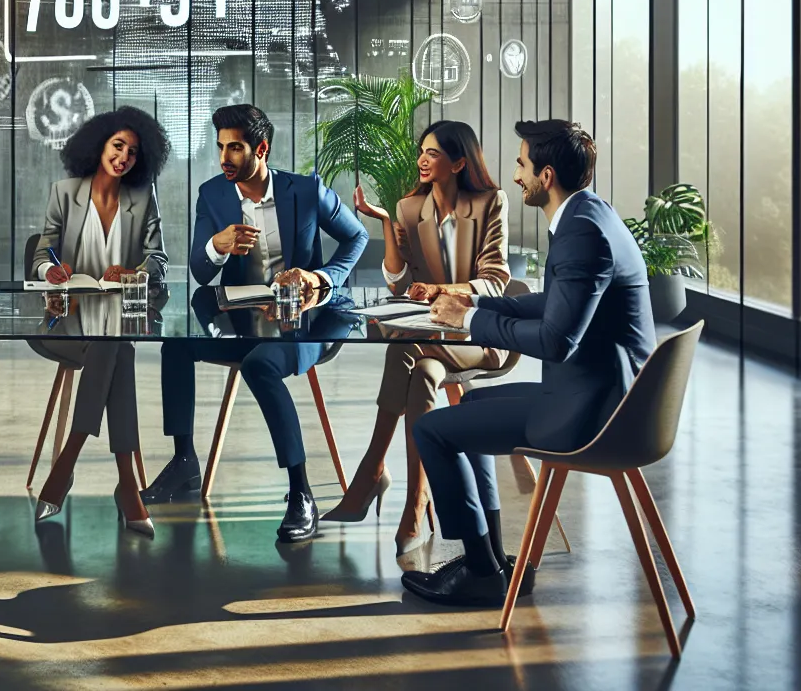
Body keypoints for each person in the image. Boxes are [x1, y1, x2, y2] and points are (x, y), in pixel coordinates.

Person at [402, 120, 655, 607]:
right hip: (601, 391)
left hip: (596, 413)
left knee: (431, 430)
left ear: (546, 175)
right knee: (470, 402)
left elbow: (556, 340)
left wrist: (468, 319)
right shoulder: (591, 213)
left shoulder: (580, 232)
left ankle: (480, 573)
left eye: (521, 165)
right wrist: (475, 304)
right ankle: (492, 560)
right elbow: (557, 303)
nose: (516, 175)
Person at [141, 104, 368, 544]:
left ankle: (301, 491)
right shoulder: (213, 195)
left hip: (305, 322)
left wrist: (321, 278)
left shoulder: (305, 190)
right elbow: (200, 271)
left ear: (261, 149)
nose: (223, 157)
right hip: (242, 322)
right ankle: (184, 461)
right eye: (220, 147)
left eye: (235, 148)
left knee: (259, 365)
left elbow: (355, 236)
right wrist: (217, 245)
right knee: (176, 346)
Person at [322, 120, 512, 553]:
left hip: (478, 334)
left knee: (403, 348)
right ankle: (415, 501)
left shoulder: (489, 202)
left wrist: (441, 290)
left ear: (459, 163)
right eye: (421, 152)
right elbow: (398, 283)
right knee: (421, 371)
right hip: (429, 337)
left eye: (433, 153)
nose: (423, 160)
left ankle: (372, 473)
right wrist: (386, 223)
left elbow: (495, 281)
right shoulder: (410, 208)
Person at [29, 107, 170, 535]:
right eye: (117, 146)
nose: (123, 157)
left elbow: (158, 259)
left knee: (113, 346)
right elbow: (42, 254)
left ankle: (65, 465)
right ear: (99, 145)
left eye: (133, 152)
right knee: (117, 350)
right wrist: (50, 272)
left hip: (118, 314)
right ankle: (127, 486)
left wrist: (134, 272)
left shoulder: (142, 197)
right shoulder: (64, 192)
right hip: (66, 323)